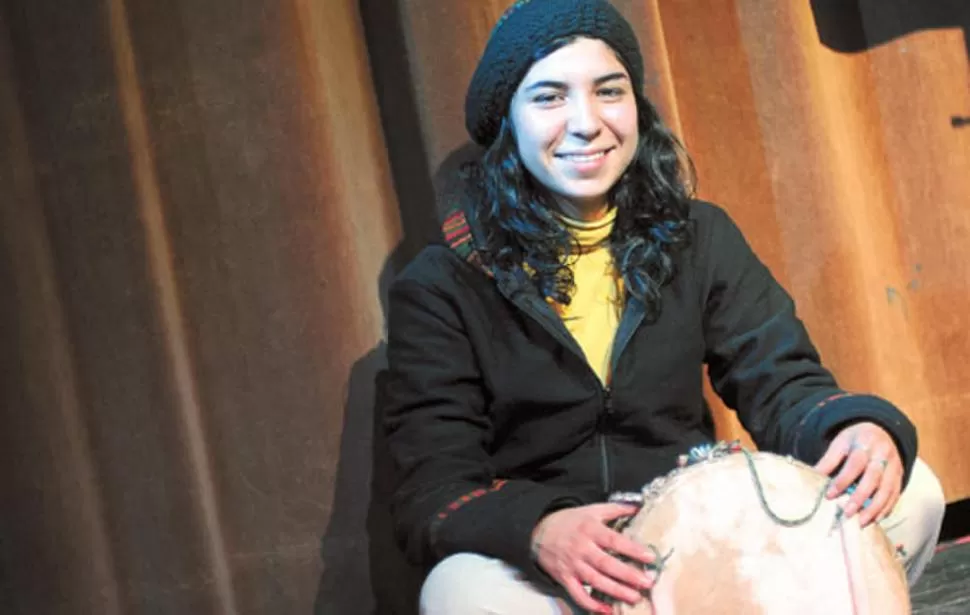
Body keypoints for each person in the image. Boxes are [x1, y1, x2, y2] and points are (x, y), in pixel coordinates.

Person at [380, 0, 946, 613]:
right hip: (567, 564)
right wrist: (538, 528)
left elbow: (780, 379)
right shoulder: (444, 284)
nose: (586, 122)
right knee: (458, 590)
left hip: (692, 537)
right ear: (507, 123)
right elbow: (433, 490)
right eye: (549, 97)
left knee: (913, 494)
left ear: (637, 106)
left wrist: (851, 430)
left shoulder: (696, 237)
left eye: (608, 91)